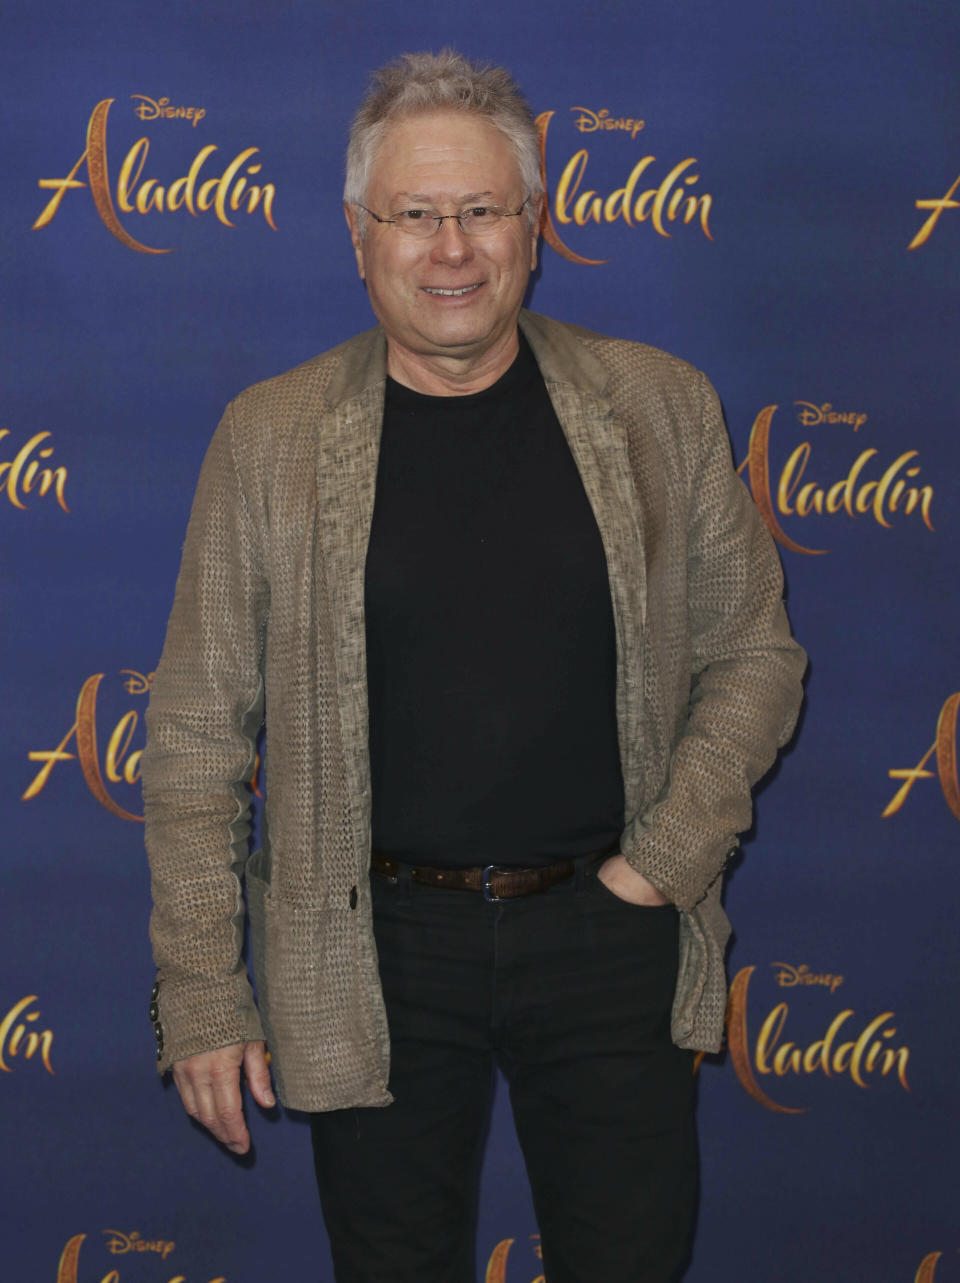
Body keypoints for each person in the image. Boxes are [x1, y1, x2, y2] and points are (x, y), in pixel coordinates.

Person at [142, 49, 806, 1283]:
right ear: (358, 235)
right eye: (414, 214)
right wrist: (200, 990)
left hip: (611, 934)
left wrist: (658, 866)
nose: (451, 249)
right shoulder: (271, 439)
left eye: (483, 210)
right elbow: (190, 732)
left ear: (535, 227)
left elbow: (756, 653)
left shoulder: (657, 407)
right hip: (370, 944)